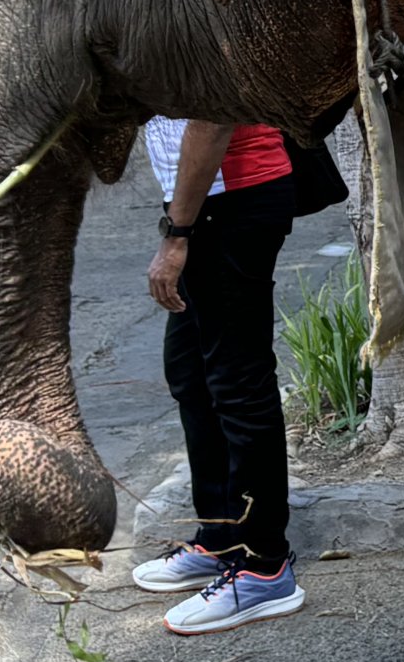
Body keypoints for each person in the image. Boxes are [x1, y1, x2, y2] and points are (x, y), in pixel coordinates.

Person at [132, 117, 309, 633]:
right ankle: (222, 537)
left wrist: (177, 234)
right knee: (190, 373)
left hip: (234, 200)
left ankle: (264, 567)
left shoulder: (197, 32)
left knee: (238, 384)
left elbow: (210, 118)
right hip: (198, 204)